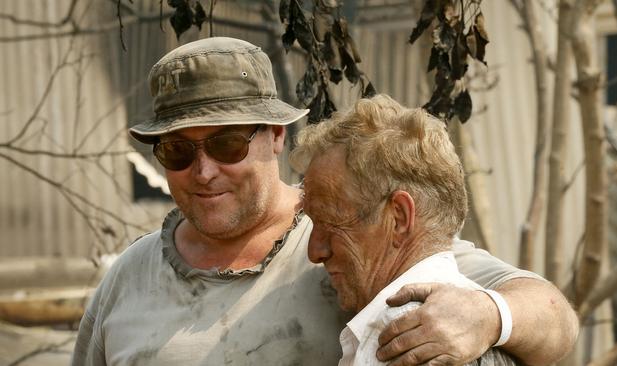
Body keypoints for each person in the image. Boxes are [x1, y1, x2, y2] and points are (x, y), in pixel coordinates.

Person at [72, 37, 578, 366]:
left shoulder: (357, 237)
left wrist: (489, 315)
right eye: (178, 151)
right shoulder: (129, 276)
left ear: (274, 136)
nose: (203, 171)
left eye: (227, 144)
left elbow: (553, 317)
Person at [291, 94, 518, 365]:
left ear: (398, 217)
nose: (315, 251)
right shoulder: (486, 332)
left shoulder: (405, 335)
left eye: (331, 222)